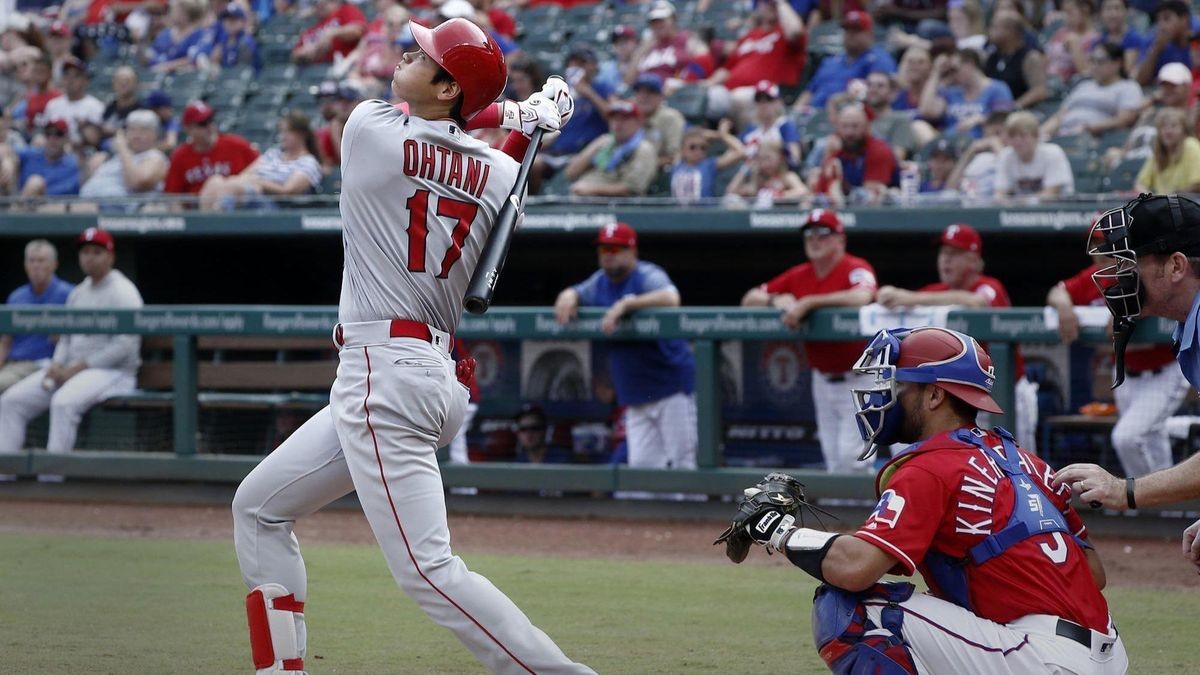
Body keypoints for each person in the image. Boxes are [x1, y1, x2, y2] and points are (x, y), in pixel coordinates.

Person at [230, 18, 592, 674]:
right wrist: (531, 117)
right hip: (427, 371)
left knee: (429, 571)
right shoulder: (506, 175)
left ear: (450, 87)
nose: (406, 54)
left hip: (384, 375)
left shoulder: (367, 129)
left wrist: (516, 112)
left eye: (423, 56)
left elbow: (440, 124)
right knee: (258, 507)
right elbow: (472, 140)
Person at [721, 326, 1127, 674]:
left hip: (1041, 659)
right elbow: (1094, 575)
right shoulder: (1027, 461)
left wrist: (780, 531)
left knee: (855, 608)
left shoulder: (929, 466)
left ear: (934, 396)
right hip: (1105, 655)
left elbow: (855, 569)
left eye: (900, 386)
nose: (887, 397)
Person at [1054, 196, 1200, 544]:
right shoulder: (1188, 322)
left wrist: (1125, 490)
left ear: (1176, 267)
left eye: (1129, 262)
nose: (1118, 276)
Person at [553, 222, 697, 495]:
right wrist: (567, 296)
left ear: (632, 251)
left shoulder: (645, 275)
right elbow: (575, 292)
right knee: (642, 470)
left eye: (615, 249)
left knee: (684, 465)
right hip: (636, 395)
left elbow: (671, 297)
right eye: (603, 249)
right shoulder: (599, 282)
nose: (608, 254)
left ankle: (692, 531)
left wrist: (628, 304)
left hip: (672, 389)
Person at [877, 223, 1039, 453]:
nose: (945, 260)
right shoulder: (935, 290)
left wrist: (909, 297)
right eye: (943, 253)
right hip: (965, 398)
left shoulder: (989, 286)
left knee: (1014, 466)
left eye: (954, 254)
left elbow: (978, 303)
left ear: (974, 260)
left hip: (1005, 396)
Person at [740, 209, 878, 473]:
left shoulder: (855, 267)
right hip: (822, 379)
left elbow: (863, 296)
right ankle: (849, 514)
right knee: (834, 460)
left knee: (853, 460)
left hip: (862, 377)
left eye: (823, 234)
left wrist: (810, 302)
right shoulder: (799, 274)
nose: (814, 240)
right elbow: (749, 298)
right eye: (809, 234)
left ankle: (874, 513)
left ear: (840, 240)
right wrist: (774, 300)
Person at [0, 228, 143, 462]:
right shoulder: (79, 292)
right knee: (11, 401)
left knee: (63, 403)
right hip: (72, 371)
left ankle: (53, 477)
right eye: (85, 251)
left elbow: (125, 346)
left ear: (111, 256)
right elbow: (66, 337)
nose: (89, 257)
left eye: (96, 252)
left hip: (113, 372)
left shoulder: (123, 291)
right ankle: (4, 472)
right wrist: (57, 363)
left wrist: (76, 368)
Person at [1047, 260, 1188, 479]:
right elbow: (1058, 292)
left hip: (1162, 370)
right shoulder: (1095, 276)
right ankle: (1167, 509)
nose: (1104, 253)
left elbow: (1153, 301)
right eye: (1097, 245)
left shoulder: (1145, 270)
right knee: (1151, 438)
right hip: (1126, 372)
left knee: (1127, 437)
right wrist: (1064, 307)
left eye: (1109, 244)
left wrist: (1124, 308)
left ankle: (1144, 498)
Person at [197, 110, 322, 210]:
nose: (283, 136)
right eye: (282, 132)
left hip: (276, 205)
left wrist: (260, 183)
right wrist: (251, 182)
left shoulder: (309, 162)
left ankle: (216, 228)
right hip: (250, 192)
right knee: (215, 181)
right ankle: (203, 230)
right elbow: (244, 175)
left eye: (288, 132)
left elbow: (288, 191)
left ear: (302, 134)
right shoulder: (273, 154)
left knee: (233, 189)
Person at [0, 240, 74, 393]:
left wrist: (61, 337)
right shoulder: (17, 296)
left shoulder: (70, 294)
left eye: (41, 260)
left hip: (46, 366)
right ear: (25, 265)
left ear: (54, 264)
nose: (36, 266)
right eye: (31, 261)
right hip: (13, 366)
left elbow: (80, 340)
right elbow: (5, 343)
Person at [793, 11, 896, 112]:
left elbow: (880, 97)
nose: (850, 35)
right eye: (847, 30)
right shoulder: (831, 61)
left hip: (848, 119)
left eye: (856, 30)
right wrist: (795, 112)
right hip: (812, 116)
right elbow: (809, 92)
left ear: (869, 34)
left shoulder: (878, 60)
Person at [1039, 43, 1143, 139]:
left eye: (1100, 61)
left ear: (1117, 63)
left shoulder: (1129, 87)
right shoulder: (1084, 85)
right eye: (1092, 60)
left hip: (1095, 139)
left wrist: (1089, 127)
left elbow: (1124, 120)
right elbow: (1059, 117)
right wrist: (1039, 134)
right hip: (1064, 135)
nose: (1094, 66)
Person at [164, 101, 260, 198]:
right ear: (188, 129)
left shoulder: (237, 144)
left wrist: (239, 180)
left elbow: (261, 166)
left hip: (235, 209)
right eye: (203, 123)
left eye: (211, 120)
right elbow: (173, 197)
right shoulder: (180, 156)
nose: (209, 126)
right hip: (196, 211)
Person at [565, 101, 658, 198]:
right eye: (614, 119)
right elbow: (570, 173)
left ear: (638, 122)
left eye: (625, 119)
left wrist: (592, 189)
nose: (618, 123)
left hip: (614, 206)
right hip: (583, 200)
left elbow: (632, 188)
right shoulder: (606, 143)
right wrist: (593, 149)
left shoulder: (643, 149)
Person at [811, 103, 896, 207]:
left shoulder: (879, 149)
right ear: (837, 126)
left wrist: (840, 184)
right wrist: (829, 156)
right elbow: (821, 191)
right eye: (845, 126)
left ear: (866, 127)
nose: (849, 132)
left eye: (855, 126)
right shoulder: (834, 147)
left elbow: (871, 196)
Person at [79, 109, 169, 207]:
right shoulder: (115, 157)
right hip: (88, 207)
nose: (137, 135)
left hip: (121, 216)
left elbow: (137, 183)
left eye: (143, 130)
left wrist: (122, 148)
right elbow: (86, 183)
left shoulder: (155, 157)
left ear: (155, 134)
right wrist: (90, 167)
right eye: (132, 129)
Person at [918, 48, 1013, 137]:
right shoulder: (951, 92)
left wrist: (980, 119)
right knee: (920, 126)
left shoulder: (998, 88)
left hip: (980, 142)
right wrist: (936, 72)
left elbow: (1003, 120)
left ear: (970, 64)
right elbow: (927, 110)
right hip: (950, 142)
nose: (952, 75)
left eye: (955, 70)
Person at [993, 111, 1074, 203]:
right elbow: (999, 195)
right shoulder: (1006, 156)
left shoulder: (1053, 153)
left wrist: (1019, 203)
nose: (1017, 141)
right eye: (1012, 136)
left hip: (1058, 212)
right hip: (1019, 213)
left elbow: (1051, 194)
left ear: (1036, 136)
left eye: (1023, 136)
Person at [669, 121, 746, 205]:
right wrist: (703, 134)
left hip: (705, 214)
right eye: (692, 147)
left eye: (703, 148)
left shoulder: (709, 165)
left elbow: (740, 151)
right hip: (679, 215)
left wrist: (722, 135)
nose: (698, 151)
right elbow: (685, 135)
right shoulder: (677, 164)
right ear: (683, 149)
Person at [984, 10, 1049, 109]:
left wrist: (1014, 106)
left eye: (995, 27)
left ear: (1010, 30)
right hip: (989, 112)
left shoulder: (1029, 57)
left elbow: (1040, 91)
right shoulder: (991, 57)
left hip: (1018, 113)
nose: (990, 31)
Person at [2, 118, 81, 198]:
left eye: (58, 134)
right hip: (22, 203)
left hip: (53, 207)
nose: (52, 139)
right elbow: (4, 149)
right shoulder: (33, 154)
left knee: (35, 183)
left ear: (66, 138)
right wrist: (7, 161)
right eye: (48, 134)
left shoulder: (73, 165)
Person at [723, 137, 808, 208]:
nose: (765, 164)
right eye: (761, 159)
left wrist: (778, 195)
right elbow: (731, 191)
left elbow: (802, 191)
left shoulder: (787, 176)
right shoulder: (757, 180)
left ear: (780, 158)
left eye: (768, 158)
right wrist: (746, 166)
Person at [1133, 107, 1200, 194]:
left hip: (1189, 203)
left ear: (1184, 130)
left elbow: (1197, 185)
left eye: (1174, 126)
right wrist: (1150, 199)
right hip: (1164, 205)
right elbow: (1140, 184)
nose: (1168, 131)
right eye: (1163, 127)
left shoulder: (1191, 145)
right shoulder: (1159, 152)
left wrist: (1174, 196)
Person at [43, 56, 104, 150]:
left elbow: (96, 141)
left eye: (76, 76)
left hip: (83, 152)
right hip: (55, 152)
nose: (70, 80)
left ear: (85, 80)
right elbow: (44, 133)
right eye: (66, 75)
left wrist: (84, 127)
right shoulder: (53, 105)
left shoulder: (96, 106)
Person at [1134, 0, 1192, 87]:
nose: (1161, 25)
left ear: (1184, 19)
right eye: (1158, 20)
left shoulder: (1196, 42)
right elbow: (1139, 82)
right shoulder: (1153, 41)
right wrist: (1156, 50)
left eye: (1166, 19)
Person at [291, 0, 366, 65]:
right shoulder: (310, 30)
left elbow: (358, 31)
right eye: (315, 2)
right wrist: (305, 53)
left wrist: (333, 33)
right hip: (316, 71)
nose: (318, 4)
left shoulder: (345, 10)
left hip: (343, 67)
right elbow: (294, 56)